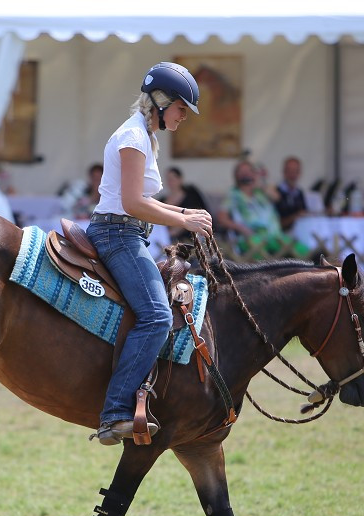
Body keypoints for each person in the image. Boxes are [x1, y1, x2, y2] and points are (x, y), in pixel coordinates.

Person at [85, 62, 211, 446]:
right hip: (117, 234)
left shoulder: (144, 135)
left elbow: (139, 203)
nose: (183, 116)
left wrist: (184, 213)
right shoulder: (133, 137)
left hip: (128, 233)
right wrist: (184, 218)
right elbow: (132, 202)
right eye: (181, 108)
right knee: (157, 317)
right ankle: (116, 411)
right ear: (160, 101)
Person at [220, 159, 306, 259]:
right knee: (260, 253)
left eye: (249, 171)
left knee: (301, 250)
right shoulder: (234, 194)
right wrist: (241, 228)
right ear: (236, 176)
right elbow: (221, 218)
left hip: (275, 237)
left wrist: (260, 184)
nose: (246, 174)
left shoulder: (261, 192)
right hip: (251, 238)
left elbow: (277, 197)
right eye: (242, 172)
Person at [160, 166, 209, 242]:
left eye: (172, 179)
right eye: (168, 179)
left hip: (187, 237)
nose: (170, 182)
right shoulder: (162, 200)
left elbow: (193, 217)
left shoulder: (191, 197)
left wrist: (172, 233)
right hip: (165, 238)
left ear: (180, 179)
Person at [273, 156, 307, 231]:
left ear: (299, 173)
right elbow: (275, 223)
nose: (293, 174)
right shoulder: (275, 194)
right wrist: (295, 217)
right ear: (284, 172)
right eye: (289, 171)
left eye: (296, 171)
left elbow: (304, 214)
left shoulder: (299, 193)